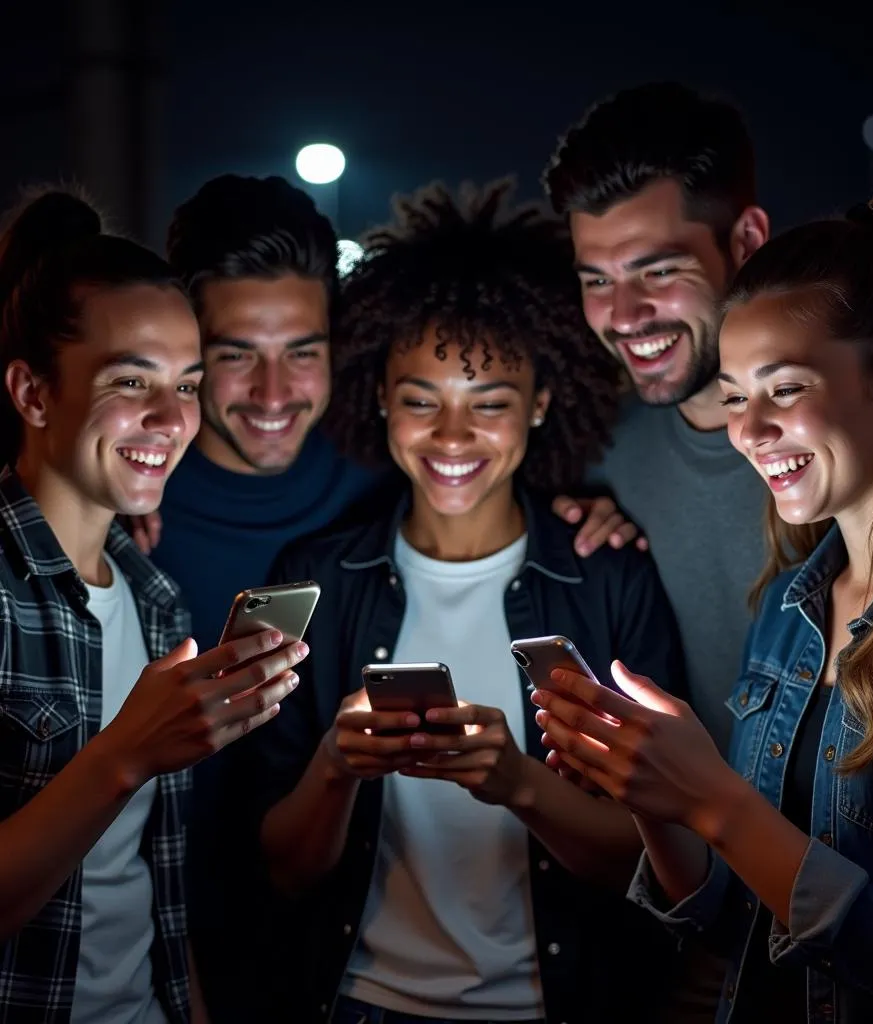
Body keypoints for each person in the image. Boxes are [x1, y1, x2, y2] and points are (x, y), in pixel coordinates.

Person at [533, 192, 873, 1022]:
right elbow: (736, 916)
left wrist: (712, 799)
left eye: (785, 388)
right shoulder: (793, 605)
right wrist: (659, 801)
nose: (750, 430)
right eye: (732, 397)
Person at [248, 180, 685, 1024]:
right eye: (421, 401)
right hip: (357, 1004)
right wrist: (336, 766)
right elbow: (280, 869)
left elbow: (659, 862)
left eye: (490, 404)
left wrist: (520, 784)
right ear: (378, 396)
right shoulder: (308, 580)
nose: (452, 439)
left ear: (541, 406)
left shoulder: (610, 578)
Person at [0, 190, 306, 1023]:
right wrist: (124, 754)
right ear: (32, 394)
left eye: (188, 384)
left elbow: (150, 893)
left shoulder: (157, 598)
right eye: (130, 379)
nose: (172, 419)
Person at [126, 175, 384, 1019]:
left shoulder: (390, 482)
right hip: (151, 955)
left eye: (302, 352)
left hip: (339, 956)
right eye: (236, 355)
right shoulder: (124, 500)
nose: (274, 396)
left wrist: (579, 504)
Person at [543, 81, 770, 758]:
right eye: (597, 280)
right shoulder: (600, 453)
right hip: (690, 857)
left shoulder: (846, 442)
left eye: (658, 270)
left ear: (747, 240)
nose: (624, 314)